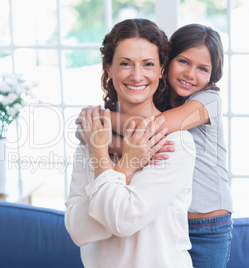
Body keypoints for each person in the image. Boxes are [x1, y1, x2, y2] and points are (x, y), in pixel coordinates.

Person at [65, 18, 196, 267]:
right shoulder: (93, 133)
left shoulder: (176, 141)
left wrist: (101, 153)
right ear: (109, 69)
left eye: (147, 64)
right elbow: (78, 231)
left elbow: (123, 220)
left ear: (161, 69)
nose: (137, 76)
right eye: (125, 64)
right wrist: (126, 164)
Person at [107, 24, 233, 268]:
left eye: (202, 68)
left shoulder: (208, 101)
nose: (190, 73)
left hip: (207, 227)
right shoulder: (160, 101)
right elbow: (143, 149)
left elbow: (151, 127)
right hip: (170, 224)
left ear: (212, 75)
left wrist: (100, 124)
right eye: (183, 61)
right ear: (166, 62)